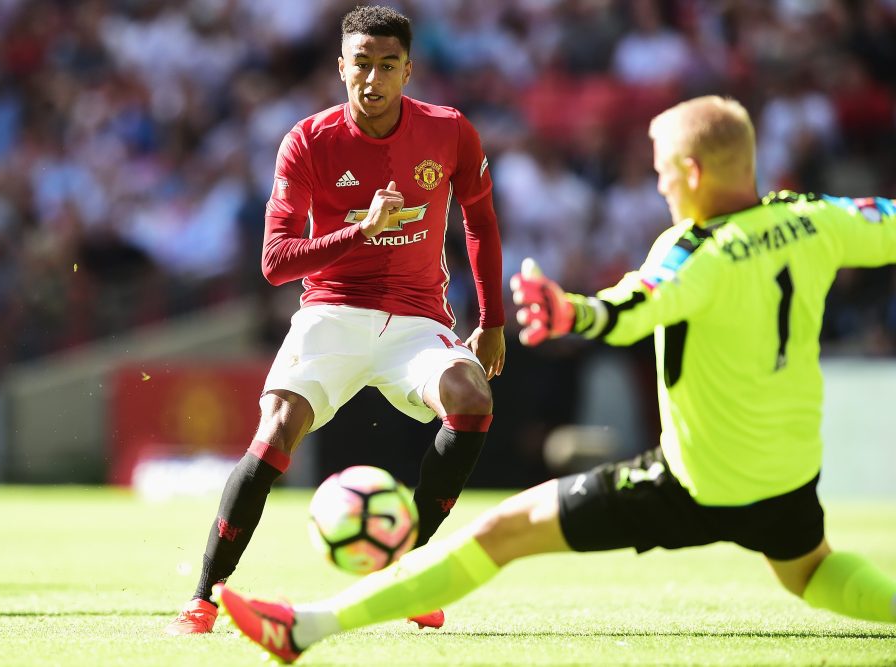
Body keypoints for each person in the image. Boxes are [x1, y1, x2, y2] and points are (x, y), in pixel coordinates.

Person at [212, 95, 896, 662]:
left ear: (690, 170)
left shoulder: (693, 255)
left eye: (662, 172)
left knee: (502, 530)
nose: (658, 185)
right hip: (789, 475)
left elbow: (628, 311)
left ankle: (305, 629)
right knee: (810, 568)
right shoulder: (818, 217)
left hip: (697, 479)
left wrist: (567, 309)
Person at [164, 6, 505, 635]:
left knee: (472, 398)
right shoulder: (307, 141)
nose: (372, 81)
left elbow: (480, 223)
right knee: (277, 429)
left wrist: (492, 319)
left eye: (387, 66)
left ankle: (404, 573)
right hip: (332, 312)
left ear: (409, 69)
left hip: (415, 320)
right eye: (361, 66)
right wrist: (360, 228)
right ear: (340, 67)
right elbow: (274, 263)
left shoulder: (450, 131)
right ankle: (204, 595)